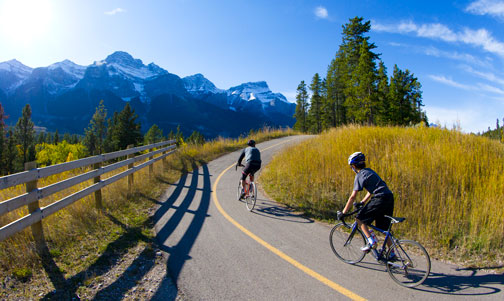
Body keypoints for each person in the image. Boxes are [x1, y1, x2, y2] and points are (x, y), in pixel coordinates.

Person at [341, 152, 394, 252]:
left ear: (353, 166)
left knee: (359, 219)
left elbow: (352, 197)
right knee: (384, 229)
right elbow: (371, 190)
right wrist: (363, 201)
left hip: (379, 198)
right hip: (389, 196)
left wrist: (343, 212)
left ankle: (371, 241)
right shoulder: (370, 171)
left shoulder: (359, 175)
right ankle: (392, 254)